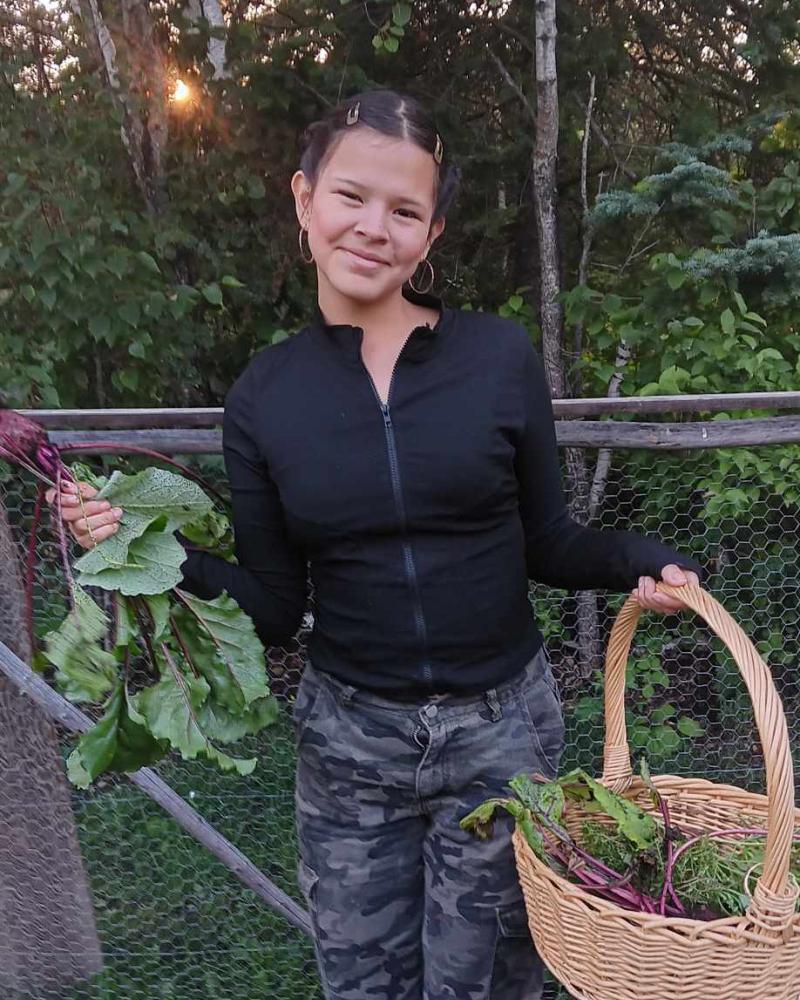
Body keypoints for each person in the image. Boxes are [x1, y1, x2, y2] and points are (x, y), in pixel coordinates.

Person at [47, 90, 702, 1000]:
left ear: (430, 236)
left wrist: (650, 560)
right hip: (351, 745)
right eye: (351, 196)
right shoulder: (265, 397)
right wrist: (149, 545)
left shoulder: (498, 358)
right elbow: (275, 608)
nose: (372, 227)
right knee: (363, 985)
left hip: (500, 737)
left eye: (404, 211)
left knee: (494, 983)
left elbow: (550, 543)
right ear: (304, 199)